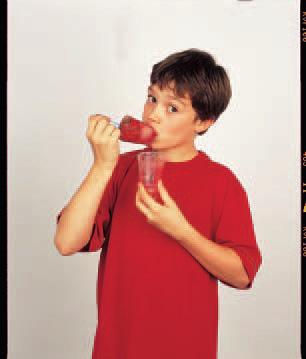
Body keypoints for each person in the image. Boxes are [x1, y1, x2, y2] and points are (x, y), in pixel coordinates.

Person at [54, 48, 262, 359]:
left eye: (172, 108)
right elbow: (66, 242)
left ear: (203, 122)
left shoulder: (222, 183)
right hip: (117, 350)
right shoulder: (120, 168)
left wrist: (181, 231)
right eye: (152, 98)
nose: (152, 114)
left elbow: (242, 274)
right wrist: (101, 165)